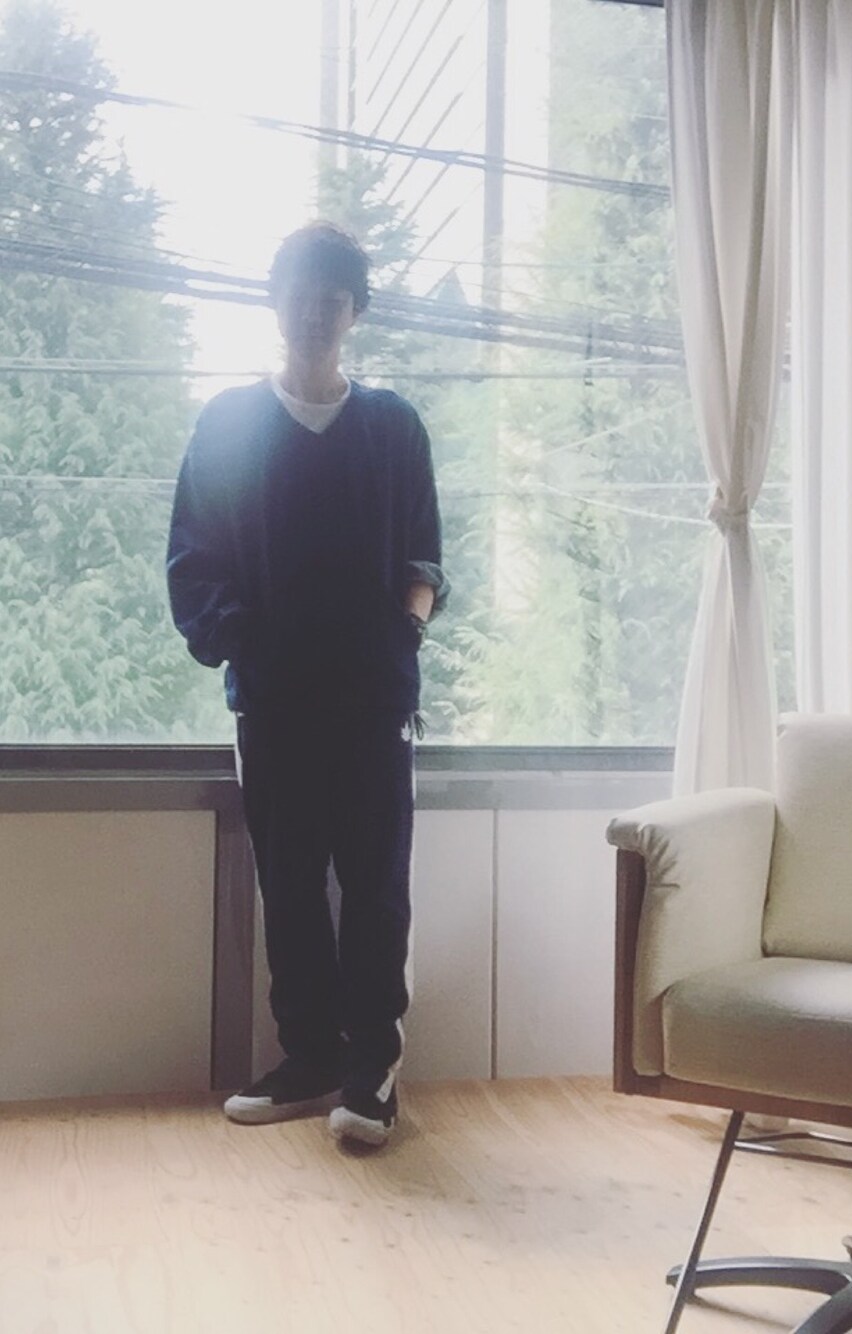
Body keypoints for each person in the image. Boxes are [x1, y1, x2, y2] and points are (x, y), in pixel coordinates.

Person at [166, 222, 448, 1147]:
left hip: (374, 703)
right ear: (274, 303)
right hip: (274, 705)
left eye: (333, 297)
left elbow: (424, 559)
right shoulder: (228, 424)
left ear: (355, 311)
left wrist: (403, 632)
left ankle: (371, 1074)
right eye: (300, 294)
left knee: (376, 887)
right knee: (288, 886)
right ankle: (309, 1057)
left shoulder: (394, 427)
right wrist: (245, 645)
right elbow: (192, 561)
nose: (314, 312)